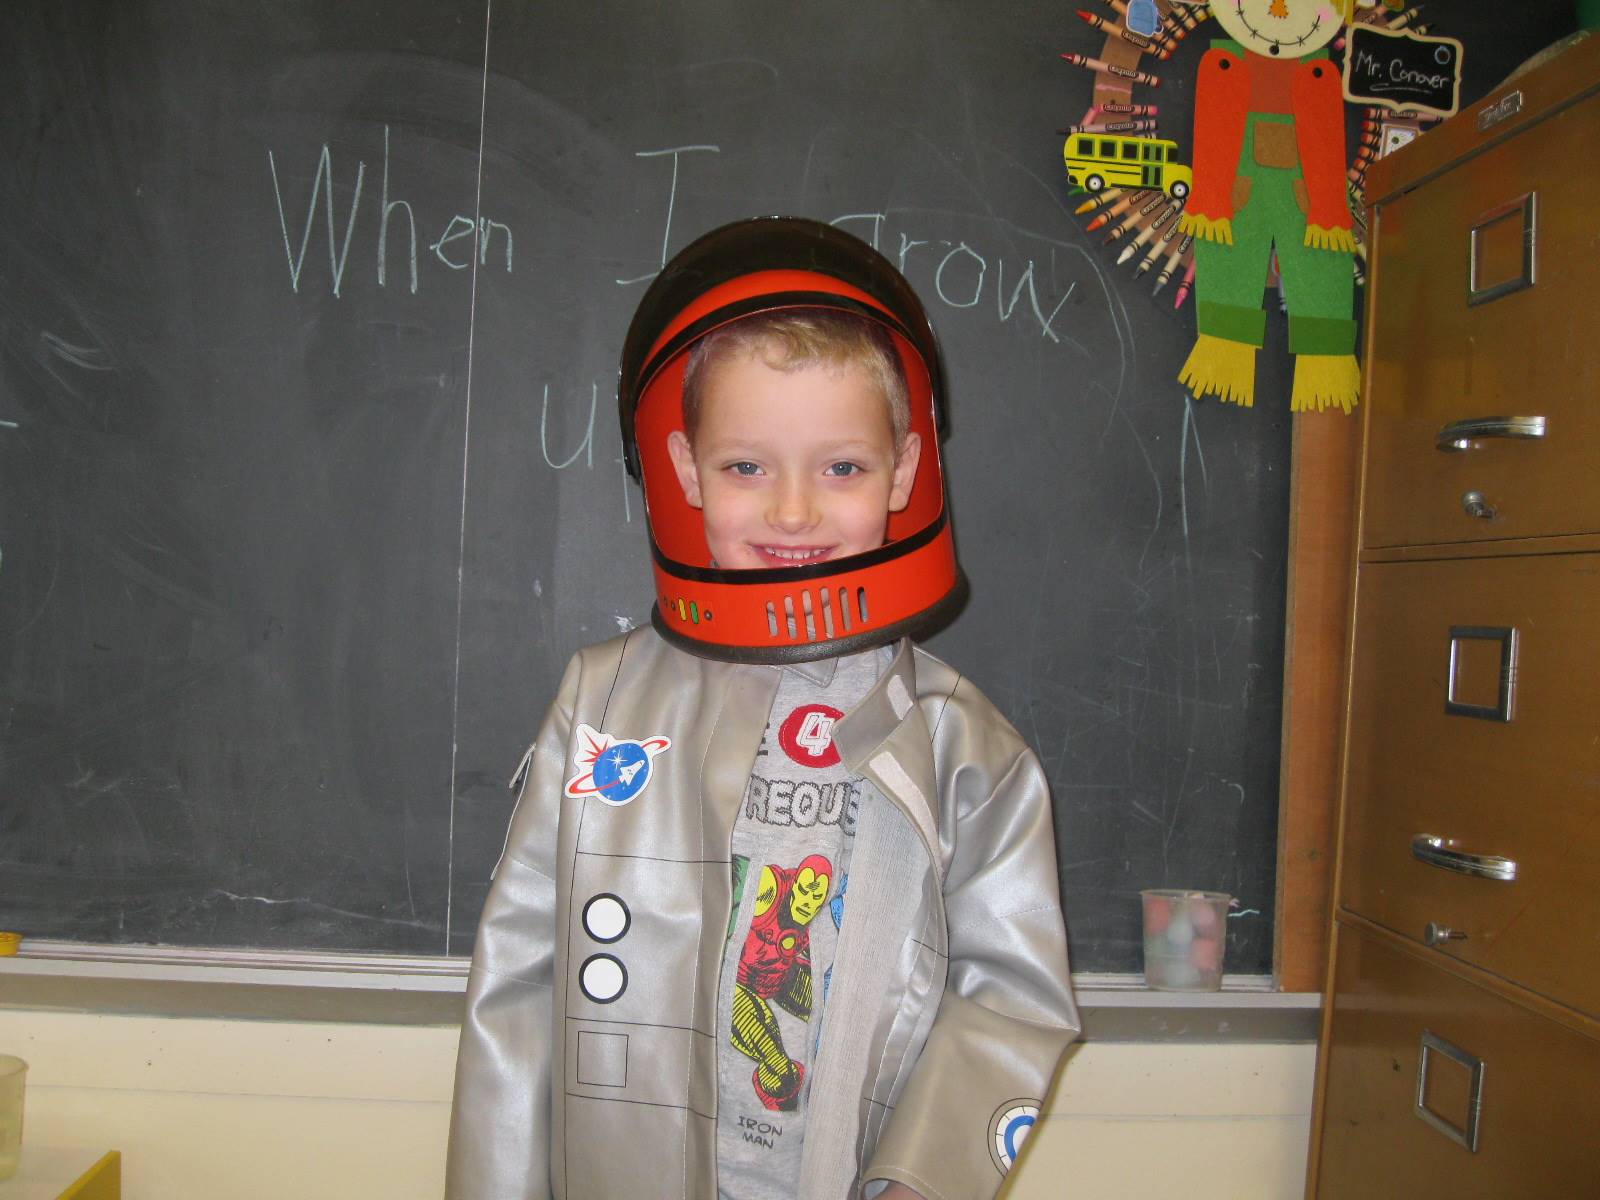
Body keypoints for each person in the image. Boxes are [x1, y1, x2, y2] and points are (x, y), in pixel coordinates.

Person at [446, 217, 1079, 1200]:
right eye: (746, 467)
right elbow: (516, 990)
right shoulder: (600, 706)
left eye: (841, 467)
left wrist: (922, 1180)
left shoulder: (967, 750)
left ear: (904, 474)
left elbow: (1012, 1003)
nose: (793, 512)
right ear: (685, 471)